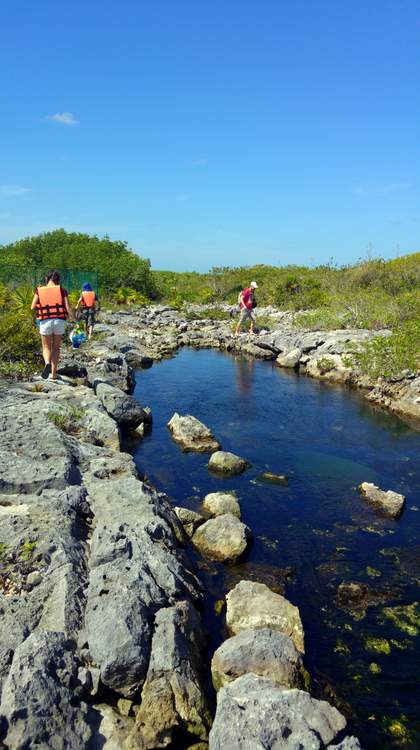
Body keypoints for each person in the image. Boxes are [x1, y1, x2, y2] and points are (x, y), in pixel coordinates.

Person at [31, 270, 74, 380]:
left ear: (47, 278)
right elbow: (68, 308)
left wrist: (42, 309)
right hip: (59, 321)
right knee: (56, 348)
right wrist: (75, 320)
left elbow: (32, 307)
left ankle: (47, 363)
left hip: (45, 321)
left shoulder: (39, 290)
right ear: (57, 279)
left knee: (46, 347)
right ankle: (54, 374)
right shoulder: (62, 290)